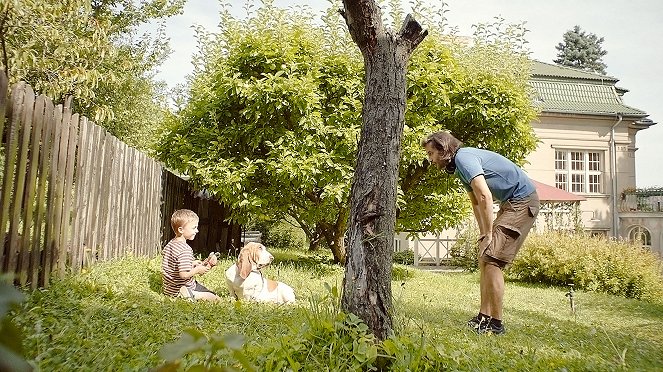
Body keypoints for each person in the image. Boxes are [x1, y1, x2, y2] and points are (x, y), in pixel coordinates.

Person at [421, 131, 540, 334]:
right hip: (510, 203)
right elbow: (476, 202)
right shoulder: (458, 166)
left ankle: (496, 324)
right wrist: (484, 234)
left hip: (522, 202)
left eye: (431, 153)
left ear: (443, 149)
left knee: (492, 261)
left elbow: (485, 195)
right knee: (485, 257)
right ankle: (484, 317)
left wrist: (490, 235)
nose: (430, 159)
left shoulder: (464, 158)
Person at [161, 209, 221, 302]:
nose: (197, 231)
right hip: (182, 288)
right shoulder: (185, 249)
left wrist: (191, 263)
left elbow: (173, 264)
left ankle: (188, 294)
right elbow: (184, 275)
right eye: (194, 228)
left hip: (169, 289)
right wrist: (197, 270)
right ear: (181, 230)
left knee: (208, 292)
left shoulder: (171, 244)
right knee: (215, 298)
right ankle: (189, 294)